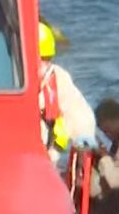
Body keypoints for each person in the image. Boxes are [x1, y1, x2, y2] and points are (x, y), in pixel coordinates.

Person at [38, 21, 93, 163]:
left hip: (45, 158)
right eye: (40, 59)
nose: (44, 66)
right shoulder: (9, 80)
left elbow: (81, 118)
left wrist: (83, 144)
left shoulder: (58, 78)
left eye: (47, 59)